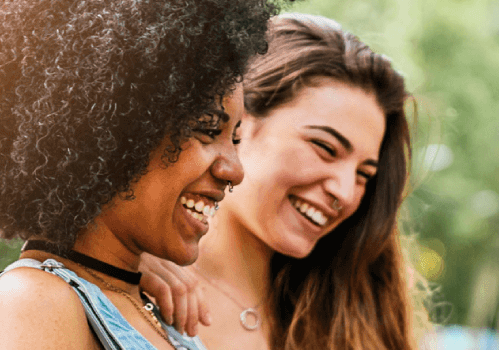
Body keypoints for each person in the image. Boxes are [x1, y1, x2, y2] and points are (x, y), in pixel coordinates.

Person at [139, 13, 430, 350]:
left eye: (364, 175)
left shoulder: (354, 324)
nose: (345, 192)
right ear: (240, 121)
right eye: (325, 148)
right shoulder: (127, 285)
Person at [0, 0, 275, 349]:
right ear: (113, 129)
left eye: (235, 139)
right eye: (207, 129)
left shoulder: (154, 306)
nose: (235, 171)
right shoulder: (32, 301)